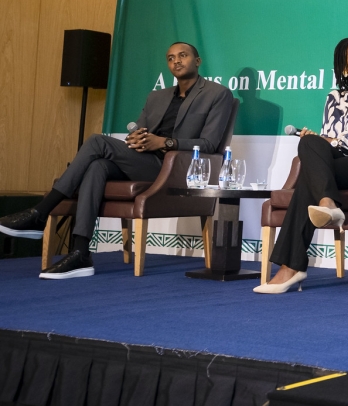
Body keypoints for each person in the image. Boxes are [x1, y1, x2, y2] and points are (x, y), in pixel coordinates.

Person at [0, 42, 234, 279]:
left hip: (177, 169)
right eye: (171, 58)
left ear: (197, 61)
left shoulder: (217, 94)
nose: (176, 61)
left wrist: (164, 142)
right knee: (97, 166)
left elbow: (210, 144)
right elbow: (140, 129)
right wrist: (136, 139)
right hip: (145, 162)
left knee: (96, 141)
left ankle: (40, 212)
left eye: (183, 55)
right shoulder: (157, 97)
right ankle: (81, 252)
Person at [255, 37, 348, 294]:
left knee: (311, 175)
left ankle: (292, 267)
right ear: (344, 68)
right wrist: (322, 141)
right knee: (309, 144)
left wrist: (335, 142)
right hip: (342, 164)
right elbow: (328, 141)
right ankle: (327, 203)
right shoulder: (333, 98)